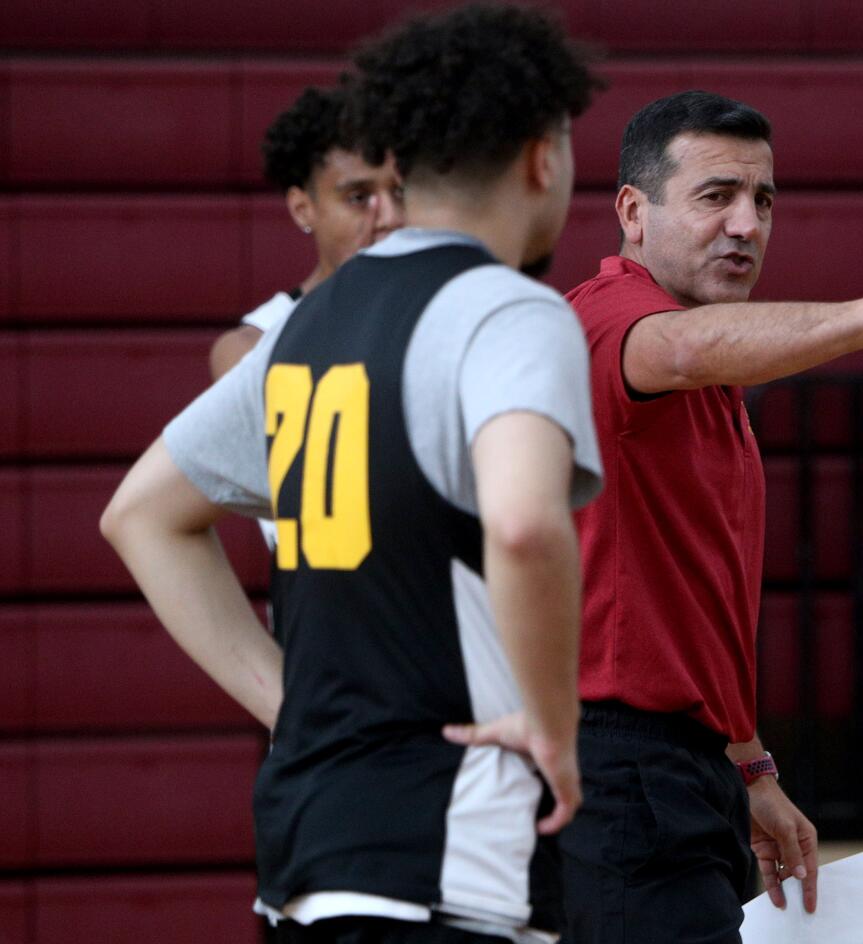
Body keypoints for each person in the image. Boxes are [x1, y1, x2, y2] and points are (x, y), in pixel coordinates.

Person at [448, 90, 863, 944]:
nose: (746, 224)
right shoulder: (613, 317)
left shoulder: (711, 371)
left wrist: (749, 764)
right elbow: (679, 349)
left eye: (762, 201)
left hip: (683, 766)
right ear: (632, 213)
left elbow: (691, 604)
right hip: (618, 765)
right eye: (715, 195)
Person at [100, 5, 603, 943]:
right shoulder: (508, 310)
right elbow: (526, 526)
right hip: (447, 850)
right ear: (544, 155)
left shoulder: (306, 323)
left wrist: (286, 705)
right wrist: (554, 724)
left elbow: (140, 515)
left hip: (309, 849)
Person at [208, 83, 405, 382]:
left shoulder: (451, 310)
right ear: (302, 209)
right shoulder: (253, 347)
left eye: (401, 192)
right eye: (358, 198)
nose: (390, 217)